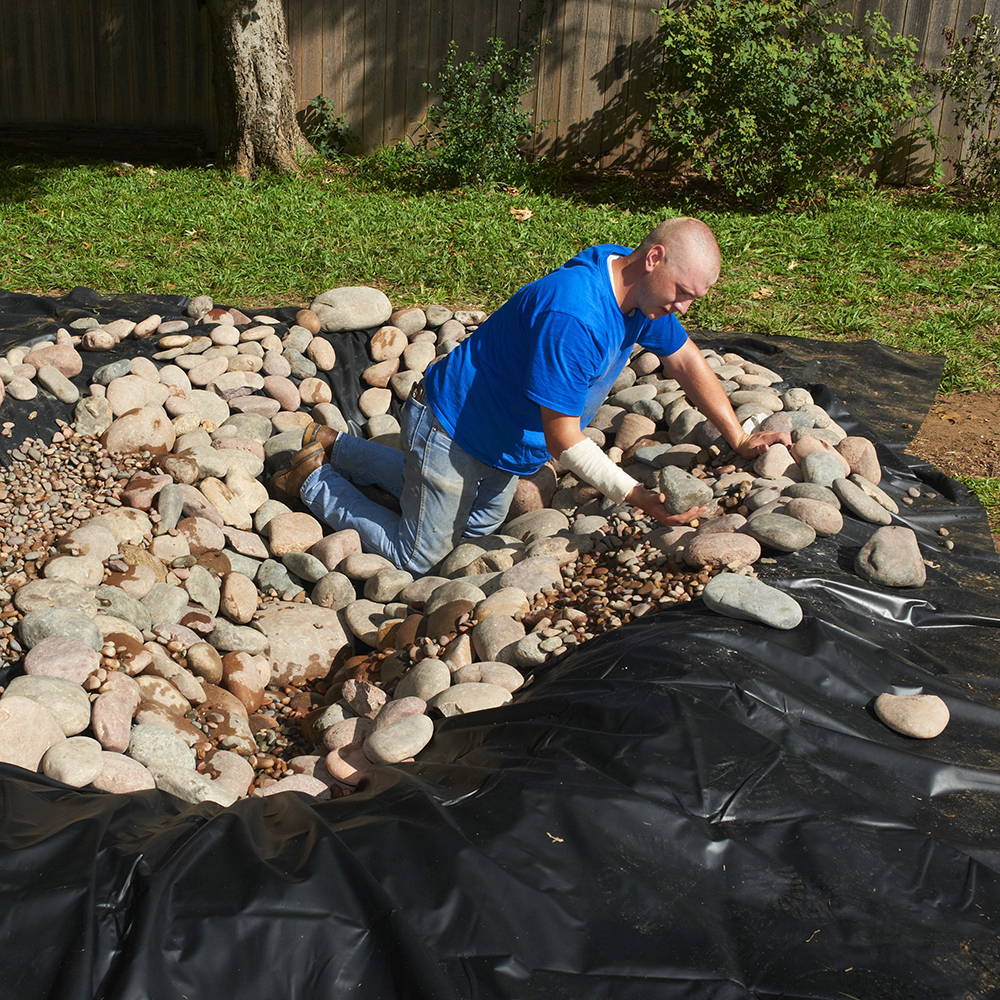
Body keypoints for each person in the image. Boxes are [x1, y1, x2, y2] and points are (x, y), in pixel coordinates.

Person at [273, 217, 790, 575]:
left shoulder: (631, 282)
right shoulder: (578, 317)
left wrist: (738, 434)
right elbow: (564, 440)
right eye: (682, 293)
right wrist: (638, 498)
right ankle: (313, 478)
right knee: (421, 558)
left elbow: (685, 360)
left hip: (504, 440)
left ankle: (336, 445)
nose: (681, 308)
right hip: (453, 426)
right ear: (654, 257)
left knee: (477, 527)